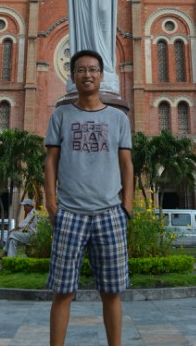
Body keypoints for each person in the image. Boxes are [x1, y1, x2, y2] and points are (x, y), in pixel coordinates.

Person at [45, 49, 133, 346]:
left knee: (111, 291)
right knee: (62, 291)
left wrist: (127, 207)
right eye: (81, 70)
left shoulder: (118, 118)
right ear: (72, 76)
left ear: (101, 75)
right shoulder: (61, 115)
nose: (87, 75)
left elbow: (126, 163)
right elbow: (51, 161)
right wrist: (51, 204)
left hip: (110, 212)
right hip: (69, 212)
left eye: (93, 69)